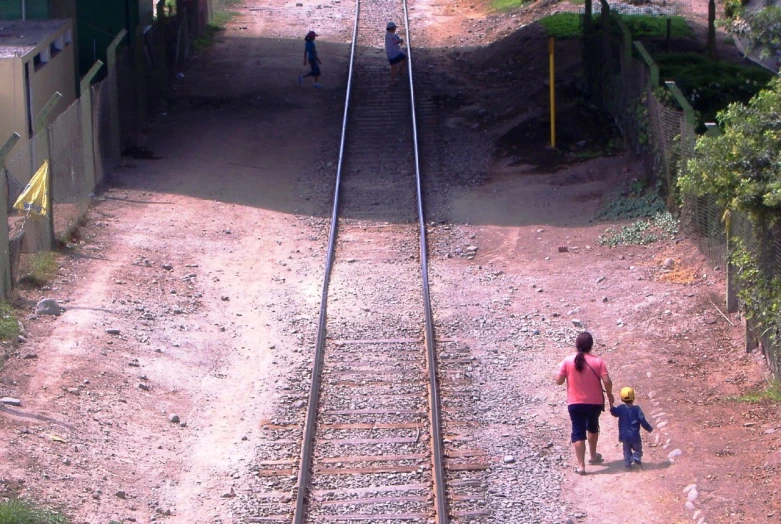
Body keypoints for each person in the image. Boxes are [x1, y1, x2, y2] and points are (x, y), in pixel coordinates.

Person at [554, 331, 614, 475]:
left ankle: (581, 466)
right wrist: (610, 395)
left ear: (577, 345)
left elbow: (559, 381)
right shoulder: (598, 362)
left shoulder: (568, 361)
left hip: (574, 403)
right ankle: (593, 456)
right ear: (591, 346)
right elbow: (606, 381)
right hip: (594, 402)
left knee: (578, 431)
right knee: (593, 427)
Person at [610, 386, 653, 469]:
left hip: (624, 436)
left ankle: (627, 463)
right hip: (635, 435)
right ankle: (636, 457)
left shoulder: (621, 408)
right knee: (638, 449)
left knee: (626, 450)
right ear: (633, 397)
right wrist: (649, 428)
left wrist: (611, 404)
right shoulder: (637, 409)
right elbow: (642, 420)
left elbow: (614, 412)